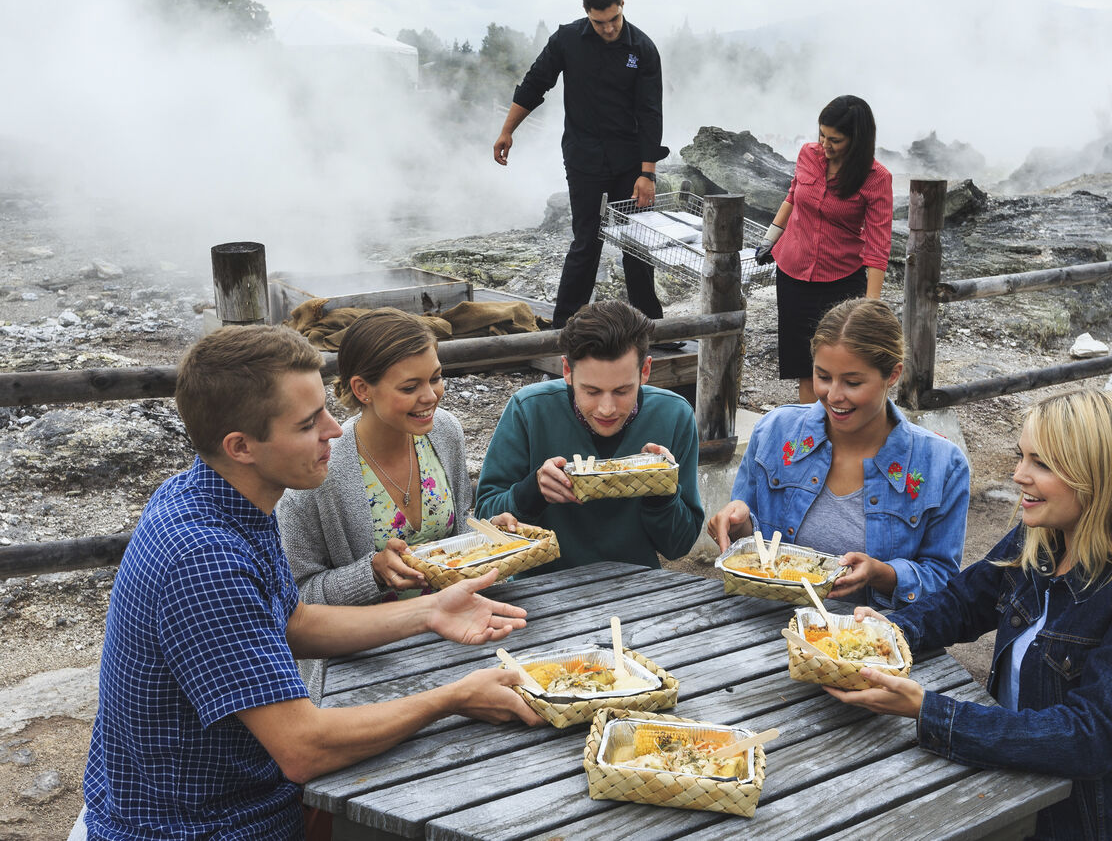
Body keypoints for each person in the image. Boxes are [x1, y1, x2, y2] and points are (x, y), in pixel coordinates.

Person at [78, 325, 539, 840]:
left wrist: (428, 611)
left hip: (222, 801)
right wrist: (453, 697)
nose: (334, 430)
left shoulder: (211, 495)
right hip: (208, 826)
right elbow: (303, 749)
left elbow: (292, 621)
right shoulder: (205, 560)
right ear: (241, 446)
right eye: (308, 423)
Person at [830, 389, 1112, 841]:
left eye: (1041, 463)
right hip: (1016, 797)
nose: (1018, 475)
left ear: (1099, 477)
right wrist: (890, 631)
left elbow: (1089, 737)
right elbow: (963, 602)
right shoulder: (1041, 538)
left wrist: (929, 711)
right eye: (1022, 456)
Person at [708, 299, 968, 609]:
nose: (833, 396)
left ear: (893, 374)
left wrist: (883, 574)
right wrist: (738, 526)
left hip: (869, 634)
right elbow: (754, 547)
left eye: (852, 382)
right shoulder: (775, 432)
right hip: (765, 621)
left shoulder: (942, 465)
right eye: (823, 377)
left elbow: (943, 580)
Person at [277, 308, 471, 702]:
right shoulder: (317, 471)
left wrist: (493, 536)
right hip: (360, 667)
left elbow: (460, 531)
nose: (430, 396)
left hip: (455, 638)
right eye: (410, 387)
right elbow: (296, 604)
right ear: (363, 389)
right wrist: (372, 574)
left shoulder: (445, 432)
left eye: (436, 378)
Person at [475, 300, 703, 571]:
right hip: (542, 587)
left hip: (638, 585)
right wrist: (532, 491)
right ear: (567, 371)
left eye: (621, 391)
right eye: (591, 391)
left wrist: (662, 492)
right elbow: (484, 520)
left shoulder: (674, 415)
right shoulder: (529, 410)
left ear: (645, 371)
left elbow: (679, 546)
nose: (607, 408)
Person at [492, 0, 669, 329]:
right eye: (599, 22)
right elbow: (535, 83)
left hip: (630, 161)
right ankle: (565, 326)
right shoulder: (567, 40)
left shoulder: (643, 48)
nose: (608, 28)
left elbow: (651, 112)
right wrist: (507, 130)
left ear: (622, 3)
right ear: (587, 13)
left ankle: (650, 325)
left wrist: (647, 174)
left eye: (614, 19)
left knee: (637, 244)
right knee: (587, 241)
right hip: (584, 157)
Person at [753, 95, 893, 403]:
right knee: (806, 367)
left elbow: (878, 244)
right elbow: (793, 196)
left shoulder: (876, 178)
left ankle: (842, 425)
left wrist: (870, 306)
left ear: (857, 140)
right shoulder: (808, 154)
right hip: (793, 274)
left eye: (835, 140)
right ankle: (811, 428)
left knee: (843, 367)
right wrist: (770, 238)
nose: (824, 145)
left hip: (840, 282)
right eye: (822, 135)